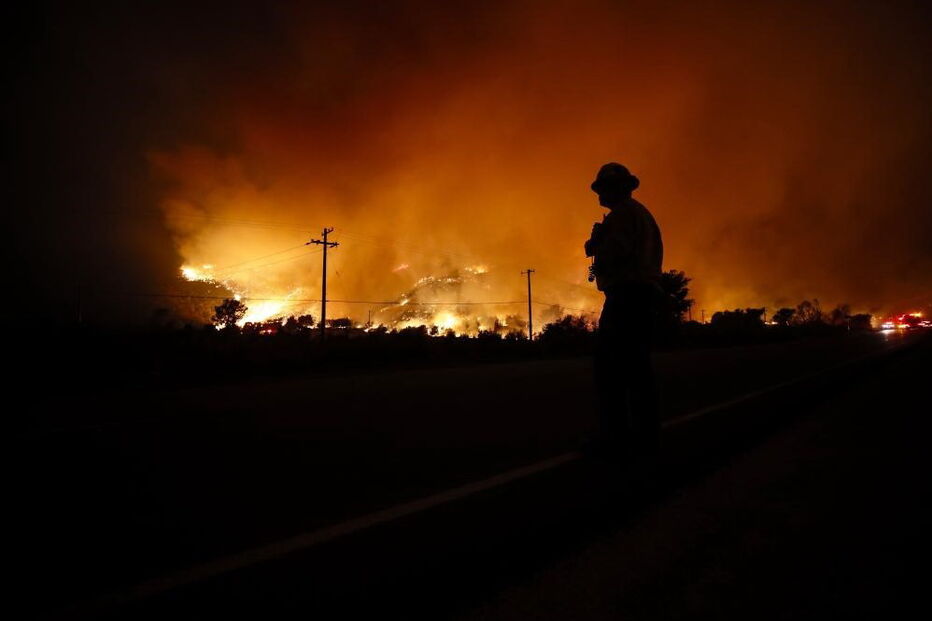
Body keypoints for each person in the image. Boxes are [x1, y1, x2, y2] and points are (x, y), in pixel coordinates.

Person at [584, 162, 663, 464]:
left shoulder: (622, 216)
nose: (600, 194)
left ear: (618, 189)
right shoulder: (640, 214)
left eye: (604, 189)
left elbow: (616, 254)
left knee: (610, 368)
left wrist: (597, 244)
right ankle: (645, 436)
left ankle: (615, 438)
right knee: (637, 367)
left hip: (626, 295)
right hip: (641, 296)